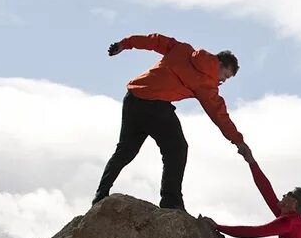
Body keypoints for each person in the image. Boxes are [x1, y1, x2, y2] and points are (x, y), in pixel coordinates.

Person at [92, 33, 251, 210]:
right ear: (220, 64)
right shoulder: (206, 85)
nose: (222, 81)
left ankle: (100, 194)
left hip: (133, 98)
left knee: (125, 150)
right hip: (156, 107)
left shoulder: (183, 50)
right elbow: (219, 114)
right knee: (177, 149)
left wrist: (125, 44)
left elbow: (155, 41)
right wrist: (238, 141)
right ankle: (171, 200)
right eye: (225, 76)